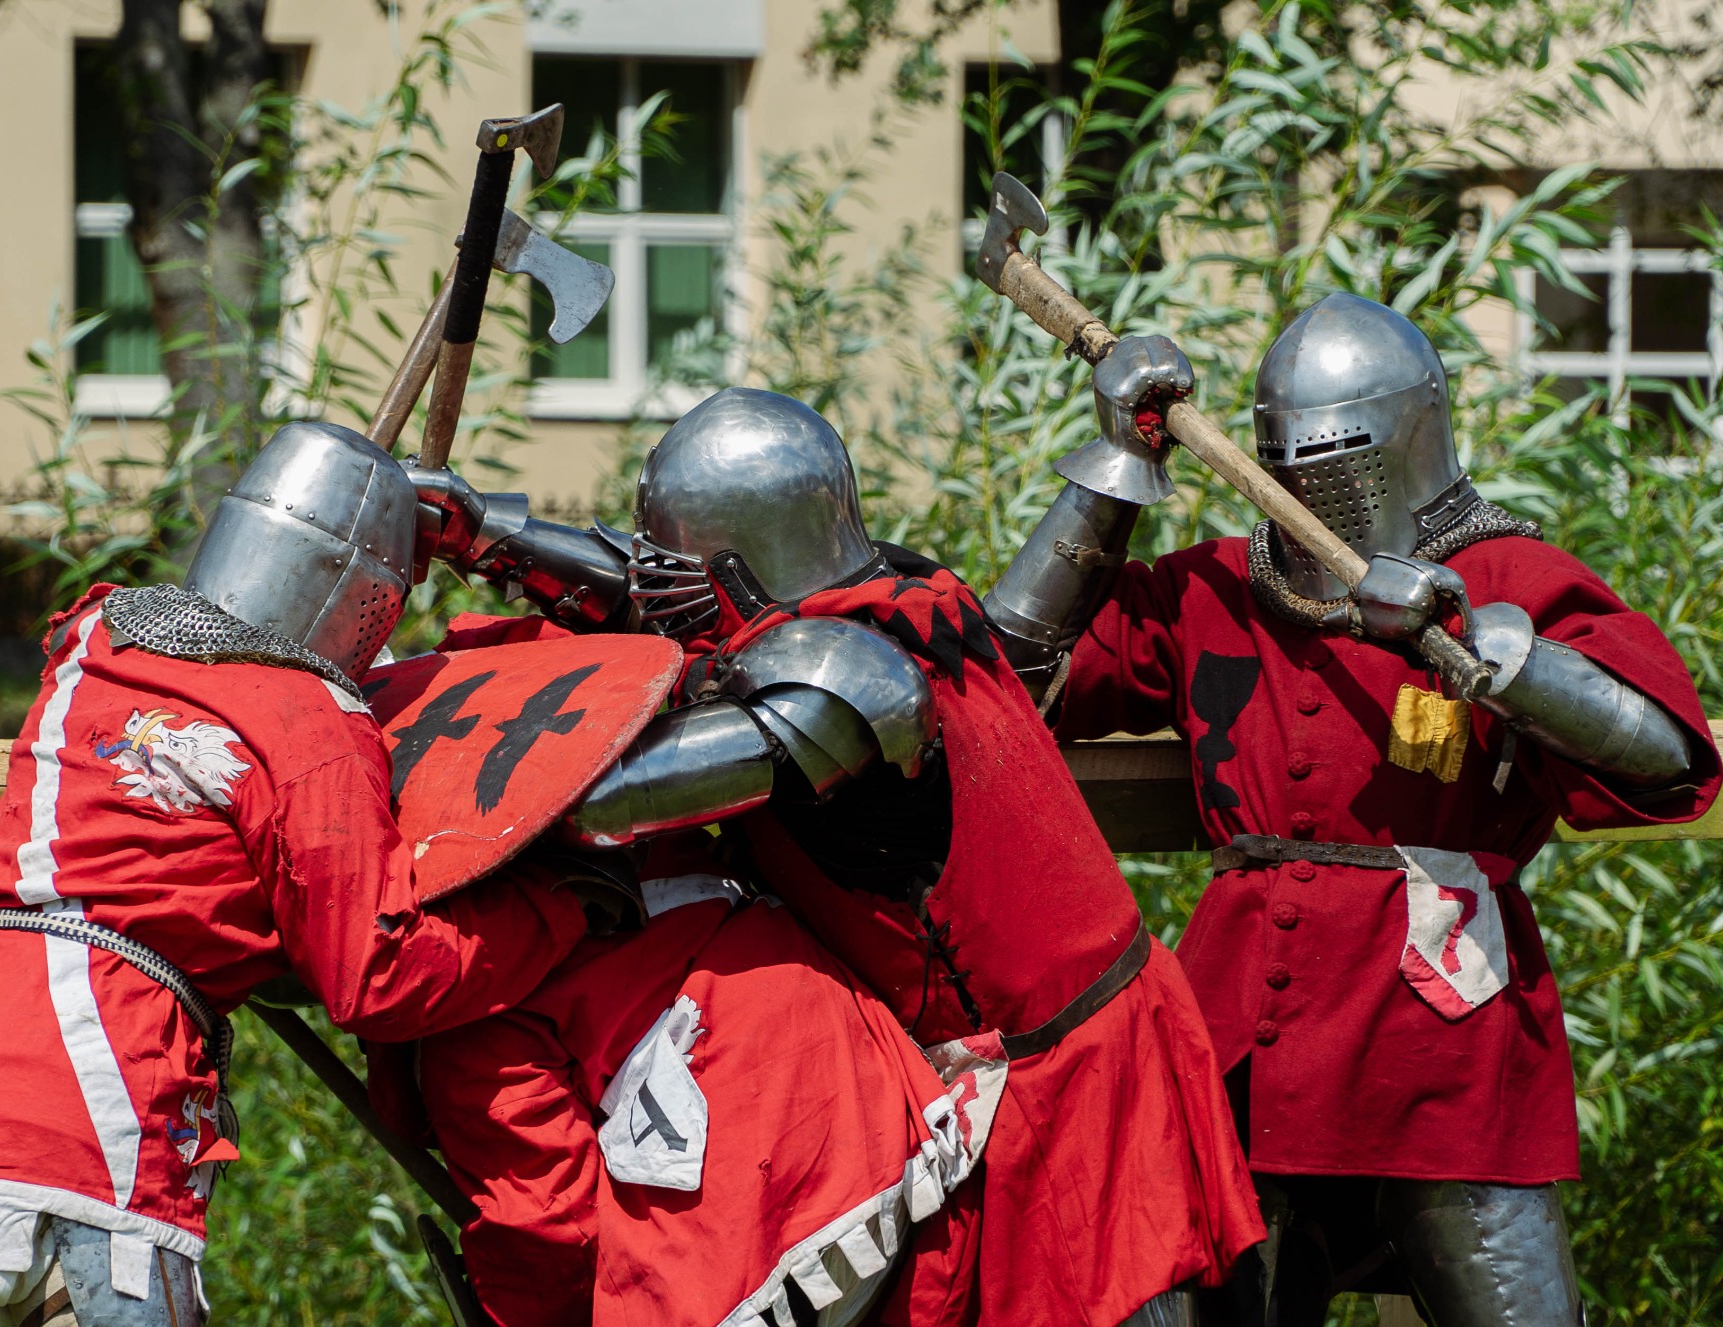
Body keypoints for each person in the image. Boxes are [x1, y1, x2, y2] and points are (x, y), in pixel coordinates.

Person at [412, 388, 1265, 1327]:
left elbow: (596, 803)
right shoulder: (897, 592)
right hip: (1068, 1044)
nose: (653, 592)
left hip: (1070, 1081)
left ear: (734, 570)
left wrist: (431, 802)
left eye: (674, 568)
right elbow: (641, 597)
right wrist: (484, 532)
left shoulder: (838, 686)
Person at [977, 292, 1723, 1326]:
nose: (1309, 483)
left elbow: (1662, 755)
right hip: (1245, 1028)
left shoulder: (1505, 575)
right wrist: (1112, 476)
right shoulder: (1213, 592)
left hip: (1443, 1036)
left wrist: (1486, 647)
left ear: (1404, 437)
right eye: (1286, 459)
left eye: (1334, 455)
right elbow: (1001, 677)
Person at [0, 422, 590, 1327]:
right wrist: (560, 911)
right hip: (77, 1086)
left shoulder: (97, 633)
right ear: (370, 598)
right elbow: (377, 973)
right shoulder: (312, 728)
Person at [375, 830, 990, 1327]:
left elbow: (548, 1225)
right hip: (886, 1112)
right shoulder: (646, 823)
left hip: (757, 1213)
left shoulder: (465, 1024)